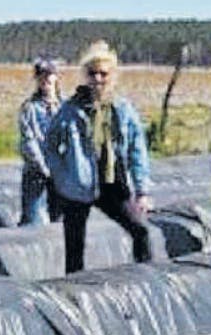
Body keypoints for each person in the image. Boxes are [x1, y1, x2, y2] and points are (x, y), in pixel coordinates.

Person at [45, 40, 153, 273]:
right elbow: (51, 146)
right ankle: (73, 292)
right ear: (86, 75)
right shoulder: (71, 110)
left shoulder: (122, 110)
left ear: (111, 76)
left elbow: (137, 149)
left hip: (112, 183)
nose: (97, 79)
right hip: (78, 184)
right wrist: (62, 177)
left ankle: (146, 278)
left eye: (103, 74)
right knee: (74, 247)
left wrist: (142, 190)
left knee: (140, 230)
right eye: (92, 74)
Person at [17, 57, 64, 226]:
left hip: (62, 174)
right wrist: (45, 168)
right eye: (41, 75)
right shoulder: (29, 108)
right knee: (33, 221)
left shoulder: (66, 107)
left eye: (49, 75)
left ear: (56, 77)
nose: (46, 79)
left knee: (62, 222)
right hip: (36, 173)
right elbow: (28, 141)